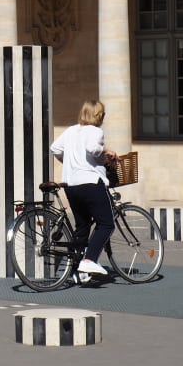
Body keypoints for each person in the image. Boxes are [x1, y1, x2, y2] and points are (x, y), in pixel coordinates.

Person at [49, 100, 118, 277]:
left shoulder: (71, 130)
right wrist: (106, 151)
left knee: (82, 226)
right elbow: (92, 149)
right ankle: (89, 260)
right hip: (91, 182)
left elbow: (55, 148)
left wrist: (69, 163)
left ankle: (77, 271)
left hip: (71, 184)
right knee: (106, 224)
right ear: (98, 115)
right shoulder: (96, 131)